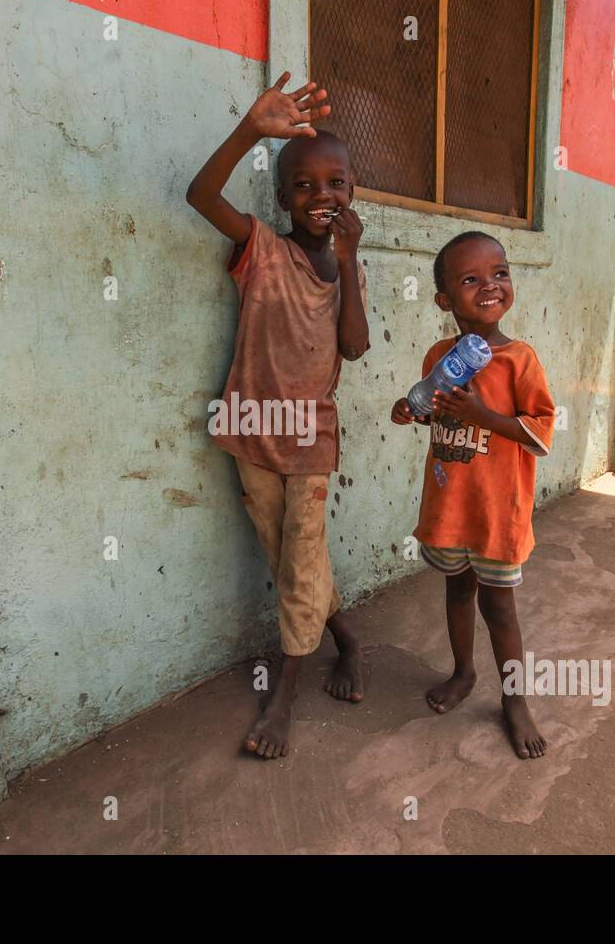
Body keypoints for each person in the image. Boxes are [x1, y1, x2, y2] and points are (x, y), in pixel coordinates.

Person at [186, 72, 371, 759]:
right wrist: (249, 131)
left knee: (300, 562)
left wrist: (350, 265)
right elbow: (199, 196)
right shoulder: (261, 249)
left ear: (353, 194)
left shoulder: (345, 265)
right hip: (249, 432)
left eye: (337, 184)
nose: (322, 196)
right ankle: (348, 640)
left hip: (310, 442)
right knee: (289, 557)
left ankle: (285, 695)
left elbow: (353, 344)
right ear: (281, 197)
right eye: (304, 185)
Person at [390, 231, 556, 759]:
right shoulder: (439, 355)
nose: (490, 285)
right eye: (470, 279)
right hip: (450, 507)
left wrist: (484, 416)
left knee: (500, 607)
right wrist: (411, 411)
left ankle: (515, 701)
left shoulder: (518, 360)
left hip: (496, 515)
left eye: (499, 273)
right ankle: (463, 672)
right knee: (457, 592)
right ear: (444, 300)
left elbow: (539, 432)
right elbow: (439, 418)